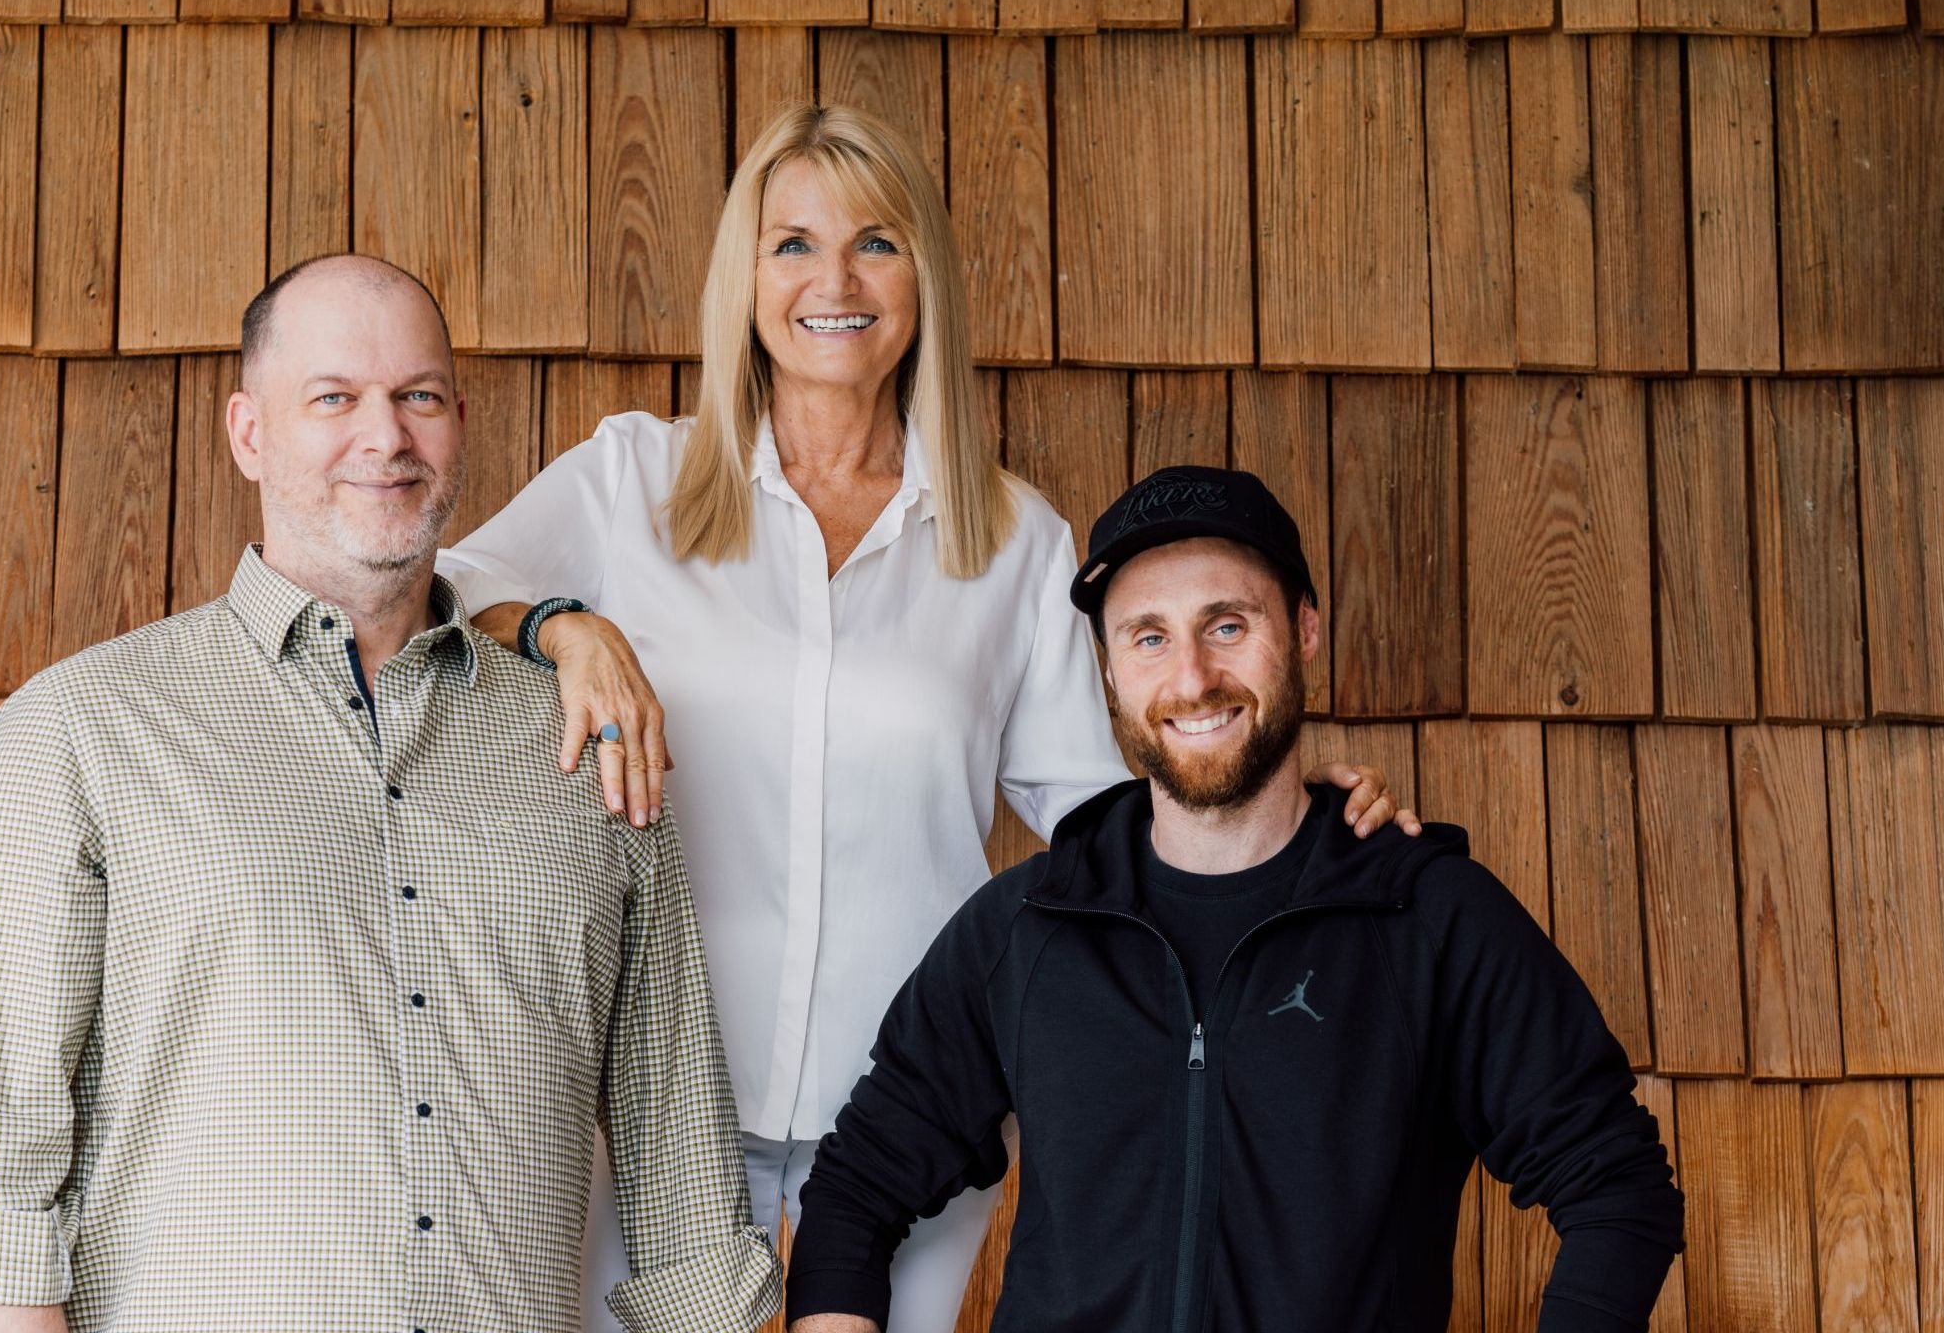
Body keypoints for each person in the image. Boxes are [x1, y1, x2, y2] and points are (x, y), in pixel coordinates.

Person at [434, 105, 1417, 1331]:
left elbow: (1110, 821)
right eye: (791, 244)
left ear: (923, 280)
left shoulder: (1012, 543)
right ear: (745, 279)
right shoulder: (631, 481)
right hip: (647, 1103)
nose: (832, 282)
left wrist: (1296, 822)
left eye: (876, 243)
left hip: (906, 1119)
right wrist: (568, 628)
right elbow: (442, 591)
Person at [0, 256, 778, 1333]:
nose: (386, 436)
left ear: (460, 421)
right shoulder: (80, 734)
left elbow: (684, 1183)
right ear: (248, 432)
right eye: (333, 398)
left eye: (418, 396)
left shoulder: (587, 747)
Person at [784, 466, 1687, 1333]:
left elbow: (1618, 1188)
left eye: (1226, 626)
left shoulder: (1427, 917)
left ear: (1303, 631)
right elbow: (859, 1183)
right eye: (1149, 637)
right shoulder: (1029, 927)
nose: (1191, 678)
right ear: (1108, 673)